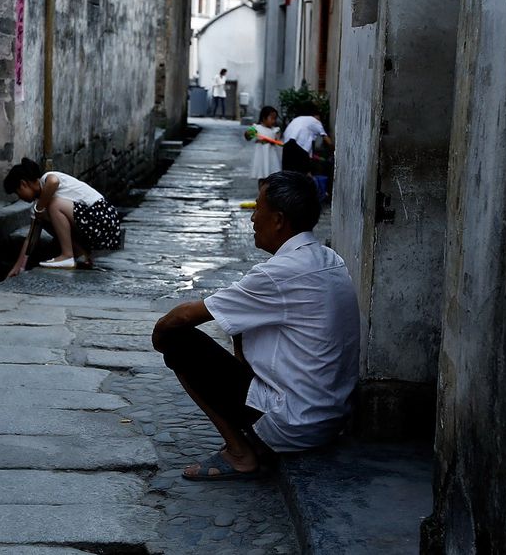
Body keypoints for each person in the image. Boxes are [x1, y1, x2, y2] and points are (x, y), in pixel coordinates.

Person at [151, 172, 359, 480]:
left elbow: (184, 317)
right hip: (329, 419)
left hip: (294, 423)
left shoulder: (281, 273)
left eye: (257, 207)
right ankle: (254, 440)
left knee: (179, 341)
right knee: (239, 327)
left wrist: (160, 332)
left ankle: (239, 452)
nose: (251, 218)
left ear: (277, 220)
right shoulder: (329, 258)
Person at [3, 157, 123, 275]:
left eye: (18, 193)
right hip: (93, 226)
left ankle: (67, 256)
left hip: (104, 219)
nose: (21, 198)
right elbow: (31, 238)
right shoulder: (38, 206)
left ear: (23, 184)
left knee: (54, 204)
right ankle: (80, 254)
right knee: (42, 218)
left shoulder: (47, 179)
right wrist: (19, 266)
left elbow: (54, 182)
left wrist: (39, 208)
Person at [281, 102, 331, 175]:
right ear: (316, 116)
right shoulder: (315, 120)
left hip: (286, 147)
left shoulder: (297, 119)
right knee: (302, 175)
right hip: (298, 147)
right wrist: (334, 151)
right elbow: (328, 140)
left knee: (288, 175)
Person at [249, 105, 282, 184]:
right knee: (261, 175)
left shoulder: (275, 130)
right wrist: (250, 133)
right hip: (261, 155)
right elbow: (248, 136)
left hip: (271, 155)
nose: (273, 121)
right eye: (272, 118)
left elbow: (278, 141)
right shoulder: (257, 128)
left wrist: (276, 138)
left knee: (272, 175)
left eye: (275, 119)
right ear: (264, 118)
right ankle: (261, 192)